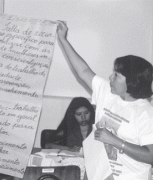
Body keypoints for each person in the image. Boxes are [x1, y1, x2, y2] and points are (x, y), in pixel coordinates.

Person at [57, 21, 153, 179]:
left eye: (116, 75)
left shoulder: (145, 113)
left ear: (131, 82)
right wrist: (63, 39)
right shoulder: (108, 92)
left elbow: (151, 156)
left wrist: (116, 141)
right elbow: (83, 70)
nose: (110, 77)